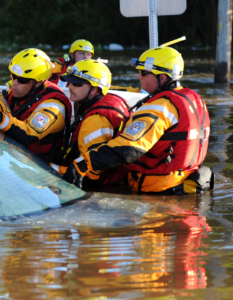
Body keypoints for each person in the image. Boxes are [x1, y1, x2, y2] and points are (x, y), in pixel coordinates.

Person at [63, 45, 213, 194]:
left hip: (160, 189)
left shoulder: (160, 107)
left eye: (143, 73)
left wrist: (83, 165)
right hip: (185, 182)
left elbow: (128, 148)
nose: (138, 76)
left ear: (162, 77)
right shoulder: (194, 99)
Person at [0, 48, 71, 163]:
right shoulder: (16, 94)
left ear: (39, 82)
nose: (14, 83)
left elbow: (28, 133)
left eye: (22, 80)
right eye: (13, 76)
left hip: (40, 169)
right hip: (13, 159)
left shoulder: (54, 106)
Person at [52, 59, 131, 186]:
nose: (68, 86)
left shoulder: (95, 121)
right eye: (69, 82)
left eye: (76, 83)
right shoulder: (106, 102)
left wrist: (49, 169)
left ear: (94, 90)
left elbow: (91, 174)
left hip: (101, 186)